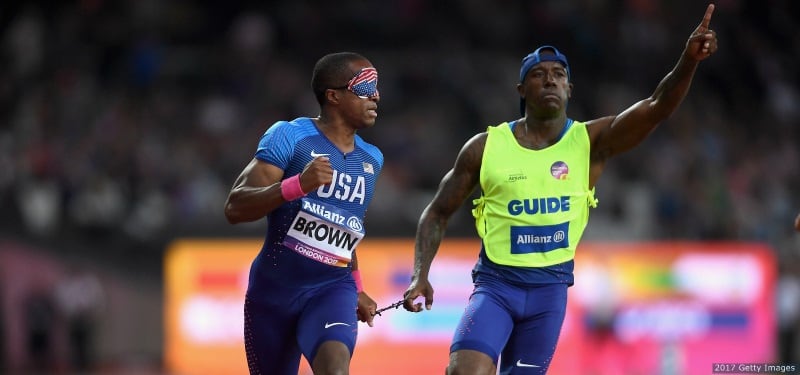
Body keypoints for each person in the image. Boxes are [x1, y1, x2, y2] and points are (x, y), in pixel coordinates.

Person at [402, 4, 718, 374]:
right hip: (495, 286)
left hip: (549, 295)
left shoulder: (590, 141)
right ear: (522, 89)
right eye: (538, 74)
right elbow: (437, 212)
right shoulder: (485, 147)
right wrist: (419, 275)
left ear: (570, 87)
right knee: (463, 371)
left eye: (558, 74)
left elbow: (656, 106)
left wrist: (689, 60)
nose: (550, 80)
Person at [224, 51, 384, 375]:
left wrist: (357, 286)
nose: (377, 95)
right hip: (273, 295)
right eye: (367, 85)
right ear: (334, 95)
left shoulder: (372, 159)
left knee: (335, 369)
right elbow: (235, 207)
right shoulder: (290, 137)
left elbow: (343, 231)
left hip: (331, 289)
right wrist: (297, 185)